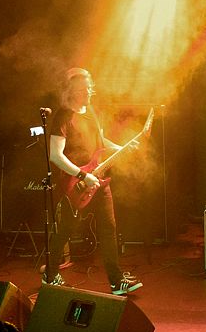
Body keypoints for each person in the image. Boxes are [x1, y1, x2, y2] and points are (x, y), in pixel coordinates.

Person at [43, 67, 142, 296]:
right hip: (75, 185)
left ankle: (116, 282)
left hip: (98, 180)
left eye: (90, 88)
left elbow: (100, 141)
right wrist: (82, 175)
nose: (89, 92)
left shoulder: (91, 111)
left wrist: (121, 148)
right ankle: (50, 274)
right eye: (84, 89)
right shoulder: (63, 116)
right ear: (73, 91)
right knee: (64, 231)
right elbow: (55, 155)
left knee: (108, 229)